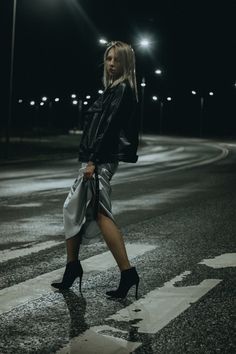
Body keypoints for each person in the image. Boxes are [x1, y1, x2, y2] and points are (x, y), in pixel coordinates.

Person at [51, 41, 140, 299]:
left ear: (126, 64)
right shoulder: (112, 89)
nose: (111, 64)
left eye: (117, 60)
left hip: (100, 160)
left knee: (101, 214)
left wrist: (92, 161)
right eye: (108, 58)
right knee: (74, 209)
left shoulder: (122, 89)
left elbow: (109, 128)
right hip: (94, 158)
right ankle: (72, 267)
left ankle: (127, 272)